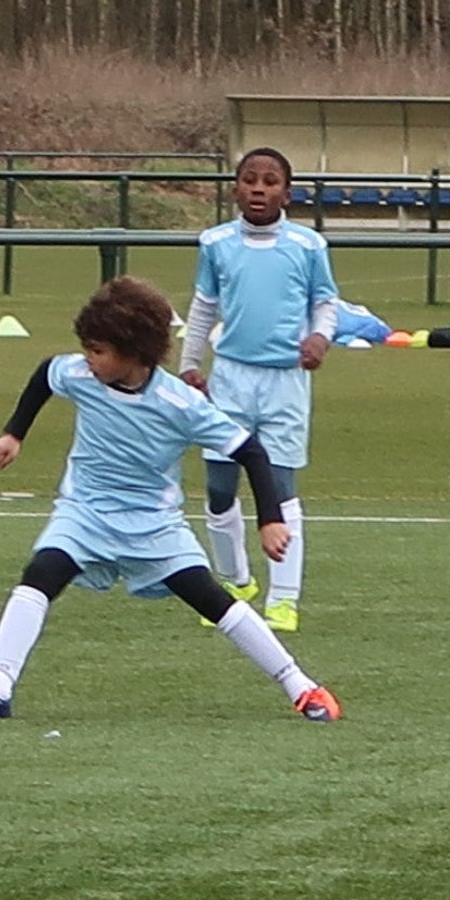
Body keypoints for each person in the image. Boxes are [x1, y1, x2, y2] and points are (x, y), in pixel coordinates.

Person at [0, 276, 341, 723]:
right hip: (85, 514)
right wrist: (13, 434)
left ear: (134, 351)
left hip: (154, 525)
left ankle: (303, 687)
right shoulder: (81, 375)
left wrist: (270, 519)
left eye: (98, 350)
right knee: (39, 575)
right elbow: (46, 374)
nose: (88, 358)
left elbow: (250, 451)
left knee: (212, 600)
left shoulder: (180, 403)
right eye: (86, 348)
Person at [179, 146, 338, 632]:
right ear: (235, 190)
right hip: (230, 378)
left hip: (284, 381)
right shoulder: (216, 243)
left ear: (287, 193)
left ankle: (284, 598)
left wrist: (320, 337)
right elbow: (204, 307)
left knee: (281, 485)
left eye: (270, 182)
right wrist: (190, 364)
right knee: (219, 486)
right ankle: (235, 582)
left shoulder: (308, 246)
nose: (259, 189)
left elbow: (325, 302)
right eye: (250, 180)